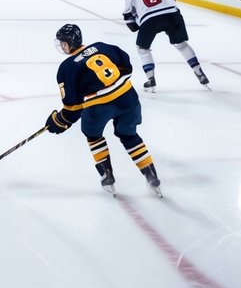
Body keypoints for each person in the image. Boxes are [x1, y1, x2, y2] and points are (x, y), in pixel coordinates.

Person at [45, 23, 161, 198]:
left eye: (63, 43)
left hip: (98, 107)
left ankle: (107, 174)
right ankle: (151, 175)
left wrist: (59, 121)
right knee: (129, 135)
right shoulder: (102, 46)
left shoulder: (66, 67)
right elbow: (126, 64)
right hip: (128, 98)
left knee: (93, 136)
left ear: (70, 43)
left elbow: (73, 108)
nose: (62, 46)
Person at [121, 0, 208, 91]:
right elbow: (172, 0)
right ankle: (199, 72)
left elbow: (127, 16)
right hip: (173, 14)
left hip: (150, 19)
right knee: (182, 44)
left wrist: (136, 25)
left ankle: (151, 80)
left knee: (142, 49)